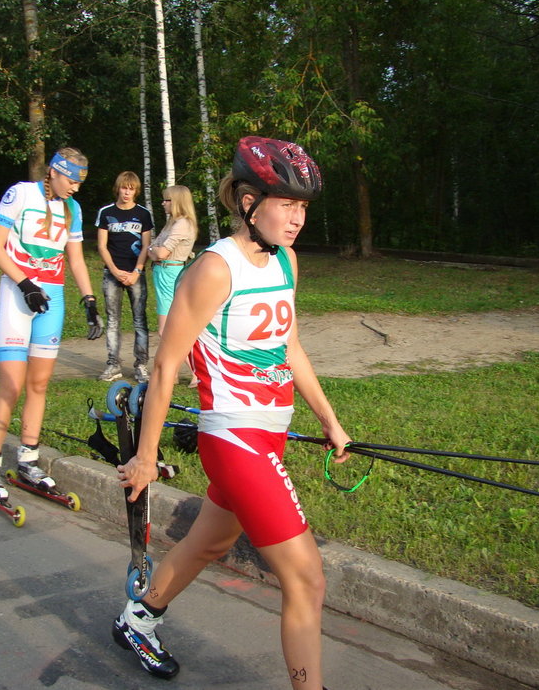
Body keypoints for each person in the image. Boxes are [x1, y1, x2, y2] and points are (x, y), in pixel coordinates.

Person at [112, 137, 351, 690]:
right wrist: (146, 457)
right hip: (235, 438)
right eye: (286, 204)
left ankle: (138, 619)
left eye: (303, 207)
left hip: (272, 434)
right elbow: (166, 366)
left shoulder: (286, 260)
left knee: (211, 542)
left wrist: (329, 421)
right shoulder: (215, 269)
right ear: (248, 202)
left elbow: (290, 347)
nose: (298, 219)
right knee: (307, 580)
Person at [0, 147, 104, 503]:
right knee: (11, 385)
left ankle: (28, 460)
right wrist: (25, 284)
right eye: (71, 180)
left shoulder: (73, 208)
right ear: (54, 172)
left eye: (80, 183)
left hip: (52, 298)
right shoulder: (21, 194)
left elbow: (75, 259)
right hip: (18, 295)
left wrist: (90, 300)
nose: (75, 188)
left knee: (40, 383)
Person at [95, 171, 154, 382]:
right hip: (112, 273)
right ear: (118, 188)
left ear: (136, 191)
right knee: (113, 321)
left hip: (136, 274)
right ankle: (113, 364)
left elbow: (147, 245)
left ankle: (141, 365)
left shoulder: (143, 214)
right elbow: (102, 245)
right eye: (124, 188)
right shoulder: (106, 212)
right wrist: (114, 270)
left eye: (131, 189)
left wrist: (137, 271)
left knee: (140, 320)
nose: (127, 192)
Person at [147, 184, 198, 335]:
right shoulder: (173, 223)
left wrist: (153, 250)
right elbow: (153, 248)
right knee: (170, 322)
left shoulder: (182, 224)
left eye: (167, 200)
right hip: (165, 271)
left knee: (165, 328)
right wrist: (153, 250)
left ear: (177, 201)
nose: (163, 203)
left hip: (169, 272)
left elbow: (161, 253)